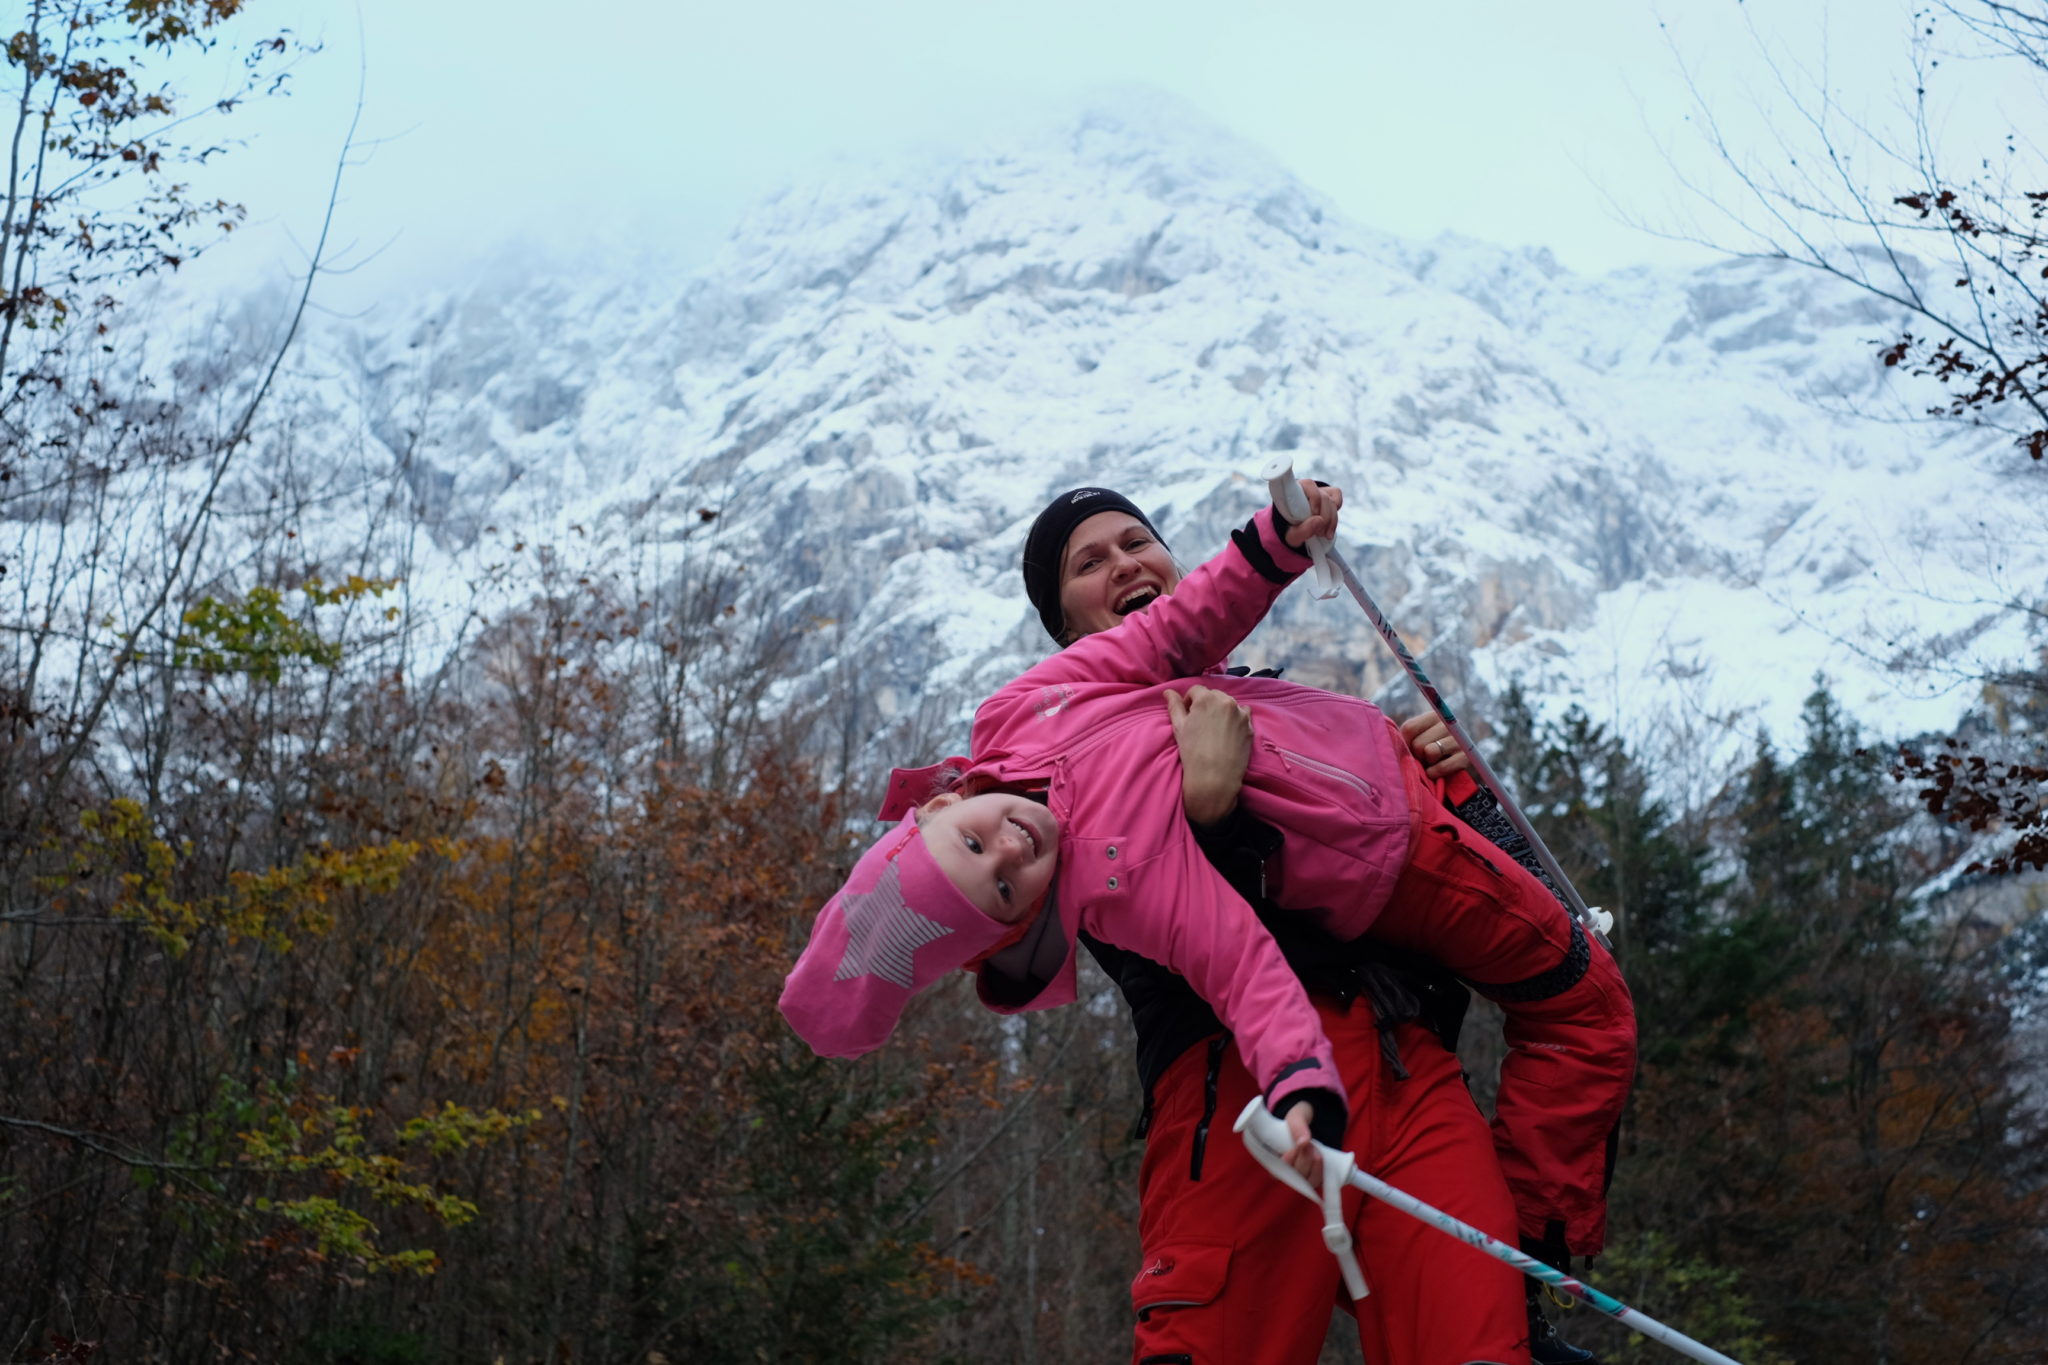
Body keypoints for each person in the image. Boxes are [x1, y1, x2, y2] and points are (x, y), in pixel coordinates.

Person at [782, 486, 1633, 1364]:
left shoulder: (1259, 700)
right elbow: (1215, 952)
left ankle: (1522, 1292)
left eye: (1134, 541)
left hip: (1404, 1054)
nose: (1123, 563)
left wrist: (1428, 770)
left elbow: (1378, 849)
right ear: (1067, 626)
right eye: (1088, 563)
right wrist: (1217, 819)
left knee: (1475, 1338)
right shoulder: (1065, 840)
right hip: (1235, 1096)